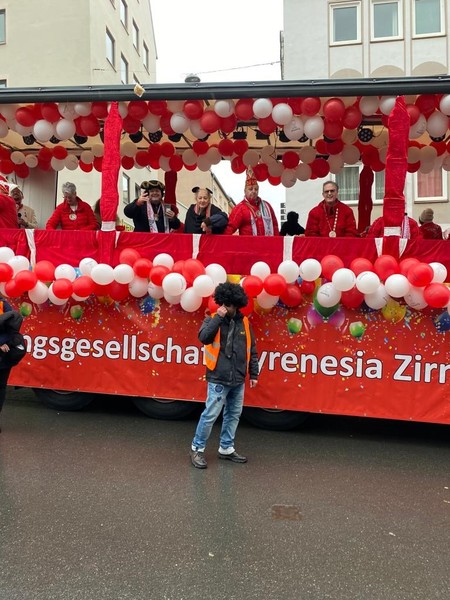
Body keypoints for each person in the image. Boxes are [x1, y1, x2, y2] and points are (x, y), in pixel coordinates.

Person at [190, 282, 259, 469]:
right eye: (225, 304)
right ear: (221, 302)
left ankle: (226, 448)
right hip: (218, 378)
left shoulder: (244, 323)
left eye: (231, 305)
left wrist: (254, 373)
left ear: (237, 304)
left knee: (234, 414)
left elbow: (251, 349)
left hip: (238, 378)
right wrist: (218, 319)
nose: (227, 308)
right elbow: (204, 338)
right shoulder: (212, 319)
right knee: (210, 414)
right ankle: (197, 448)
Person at [224, 168, 279, 235]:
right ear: (245, 191)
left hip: (267, 244)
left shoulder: (267, 206)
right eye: (250, 189)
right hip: (248, 245)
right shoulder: (240, 208)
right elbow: (230, 228)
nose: (254, 191)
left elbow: (275, 226)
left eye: (256, 189)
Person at [0, 297, 26, 433]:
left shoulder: (3, 304)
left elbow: (13, 328)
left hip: (4, 355)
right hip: (4, 352)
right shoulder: (4, 304)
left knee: (1, 388)